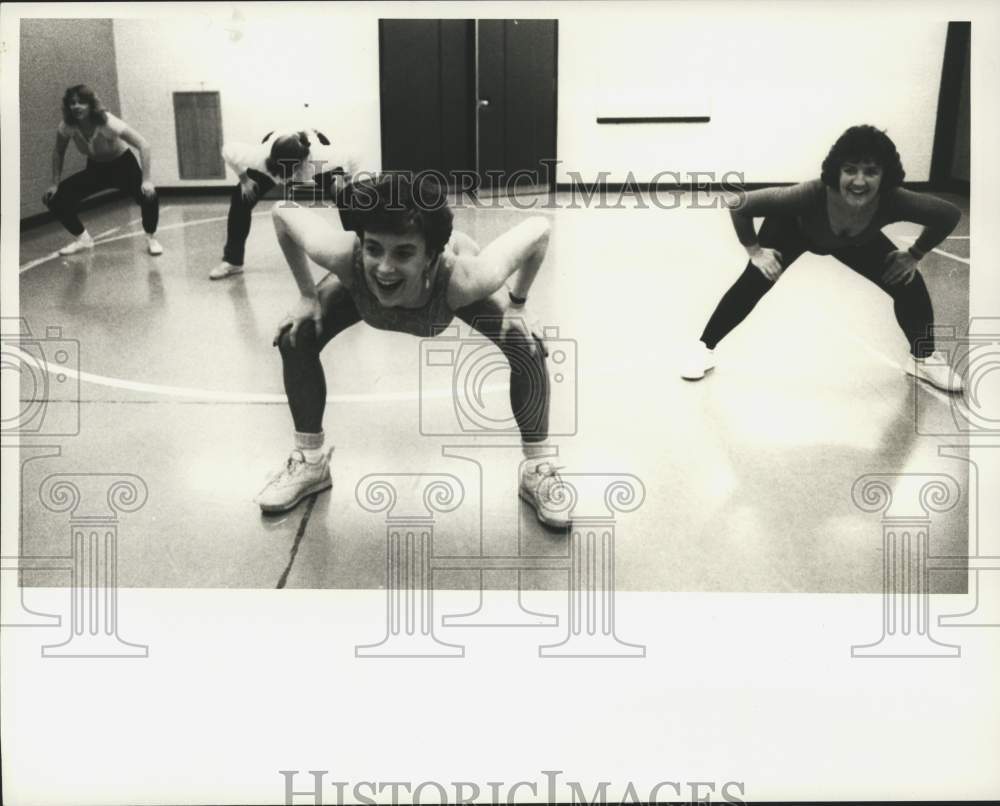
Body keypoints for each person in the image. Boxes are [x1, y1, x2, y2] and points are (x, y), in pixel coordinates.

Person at [256, 172, 570, 529]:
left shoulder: (468, 279)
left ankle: (537, 467)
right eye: (374, 248)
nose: (385, 268)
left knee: (525, 343)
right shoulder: (344, 255)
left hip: (441, 290)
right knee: (295, 335)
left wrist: (518, 304)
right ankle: (311, 460)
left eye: (403, 252)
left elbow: (539, 227)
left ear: (431, 257)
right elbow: (283, 212)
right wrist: (306, 295)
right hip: (363, 292)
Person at [681, 124, 963, 392]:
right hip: (793, 229)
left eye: (871, 172)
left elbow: (948, 215)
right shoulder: (808, 194)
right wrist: (755, 251)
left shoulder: (894, 199)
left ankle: (923, 358)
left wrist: (914, 255)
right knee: (754, 281)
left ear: (885, 175)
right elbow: (739, 205)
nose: (859, 181)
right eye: (850, 170)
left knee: (908, 282)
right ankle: (704, 348)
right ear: (836, 171)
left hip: (854, 240)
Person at [210, 128, 358, 280]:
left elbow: (354, 156)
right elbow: (227, 150)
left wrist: (345, 178)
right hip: (274, 152)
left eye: (293, 172)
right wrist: (244, 179)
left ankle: (359, 254)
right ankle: (233, 261)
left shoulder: (320, 159)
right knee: (240, 199)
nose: (290, 178)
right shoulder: (260, 158)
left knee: (345, 196)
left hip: (313, 146)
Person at [43, 84, 162, 256]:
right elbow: (58, 152)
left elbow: (144, 145)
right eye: (72, 103)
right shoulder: (67, 126)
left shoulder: (107, 121)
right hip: (96, 168)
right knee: (54, 199)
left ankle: (151, 238)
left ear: (91, 104)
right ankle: (83, 239)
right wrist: (54, 183)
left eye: (81, 102)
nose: (76, 106)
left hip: (123, 165)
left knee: (149, 196)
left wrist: (147, 180)